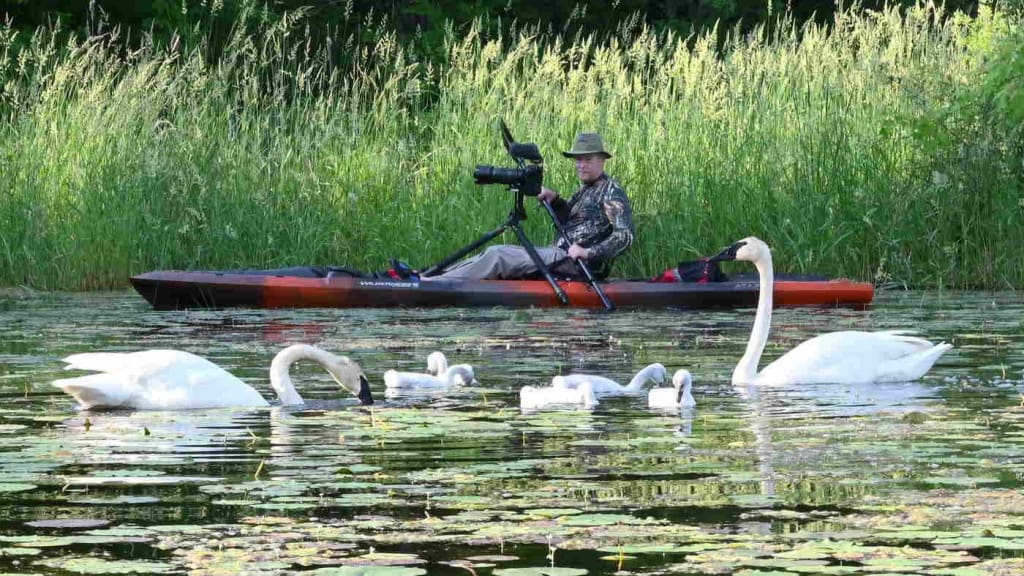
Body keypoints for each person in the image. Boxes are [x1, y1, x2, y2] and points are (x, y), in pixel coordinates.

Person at [421, 131, 634, 282]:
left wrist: (587, 253)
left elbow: (625, 236)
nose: (581, 165)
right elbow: (571, 221)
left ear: (602, 161)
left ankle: (433, 284)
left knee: (499, 255)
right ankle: (436, 276)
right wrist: (556, 200)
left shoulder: (610, 191)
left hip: (575, 263)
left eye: (588, 159)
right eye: (578, 160)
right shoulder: (585, 190)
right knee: (492, 253)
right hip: (560, 256)